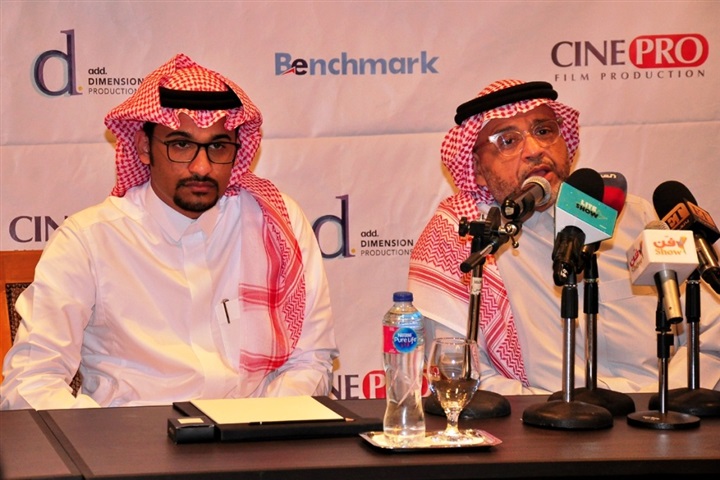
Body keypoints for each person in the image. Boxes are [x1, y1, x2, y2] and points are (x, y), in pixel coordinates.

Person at [1, 54, 338, 409]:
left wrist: (264, 424)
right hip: (133, 438)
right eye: (181, 145)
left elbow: (310, 359)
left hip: (254, 433)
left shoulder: (275, 222)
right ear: (145, 148)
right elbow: (30, 383)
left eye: (218, 146)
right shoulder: (89, 241)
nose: (201, 167)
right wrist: (101, 436)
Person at [408, 79, 720, 395]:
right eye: (508, 141)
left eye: (544, 131)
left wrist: (662, 398)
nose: (535, 150)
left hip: (655, 412)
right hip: (538, 418)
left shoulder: (633, 217)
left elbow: (711, 333)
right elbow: (461, 377)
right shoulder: (464, 238)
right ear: (476, 168)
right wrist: (552, 412)